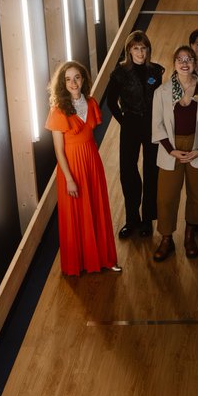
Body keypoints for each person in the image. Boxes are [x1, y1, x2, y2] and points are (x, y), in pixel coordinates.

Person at [46, 61, 119, 275]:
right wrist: (68, 178)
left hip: (91, 160)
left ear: (83, 79)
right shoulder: (58, 110)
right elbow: (59, 150)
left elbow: (90, 136)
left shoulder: (91, 102)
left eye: (77, 77)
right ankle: (79, 263)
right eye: (68, 79)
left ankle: (104, 258)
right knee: (76, 213)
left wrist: (92, 157)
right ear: (62, 83)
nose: (73, 82)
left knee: (97, 207)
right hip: (72, 166)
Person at [151, 45, 198, 261]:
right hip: (171, 149)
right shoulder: (162, 92)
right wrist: (172, 151)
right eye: (180, 59)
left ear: (194, 63)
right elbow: (157, 125)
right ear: (174, 64)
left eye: (189, 58)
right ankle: (167, 238)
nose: (185, 62)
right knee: (165, 196)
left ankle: (190, 234)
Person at [105, 31, 165, 238]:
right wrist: (124, 121)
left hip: (151, 126)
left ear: (148, 49)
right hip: (130, 124)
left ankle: (148, 219)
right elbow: (111, 102)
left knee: (151, 170)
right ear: (129, 50)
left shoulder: (156, 71)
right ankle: (132, 219)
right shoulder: (120, 73)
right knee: (128, 171)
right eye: (136, 48)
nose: (140, 52)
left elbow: (160, 100)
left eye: (144, 48)